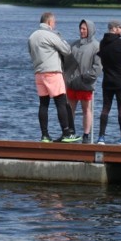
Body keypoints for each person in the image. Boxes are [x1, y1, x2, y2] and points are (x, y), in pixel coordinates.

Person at [28, 12, 78, 143]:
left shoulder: (32, 36)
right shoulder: (51, 35)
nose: (55, 24)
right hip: (53, 72)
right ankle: (66, 133)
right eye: (54, 22)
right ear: (49, 22)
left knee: (43, 104)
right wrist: (60, 38)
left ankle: (45, 135)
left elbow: (30, 52)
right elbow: (67, 50)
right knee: (60, 102)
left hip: (39, 73)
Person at [97, 20, 121, 146]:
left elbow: (102, 57)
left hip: (107, 81)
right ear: (114, 28)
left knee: (105, 108)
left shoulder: (102, 43)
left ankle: (101, 137)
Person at [63, 19, 101, 144]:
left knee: (86, 110)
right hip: (72, 83)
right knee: (70, 109)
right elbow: (67, 64)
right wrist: (66, 79)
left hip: (85, 84)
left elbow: (98, 66)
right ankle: (70, 133)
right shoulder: (74, 45)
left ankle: (86, 135)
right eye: (81, 28)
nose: (82, 31)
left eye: (84, 29)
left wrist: (87, 78)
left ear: (90, 30)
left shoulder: (96, 46)